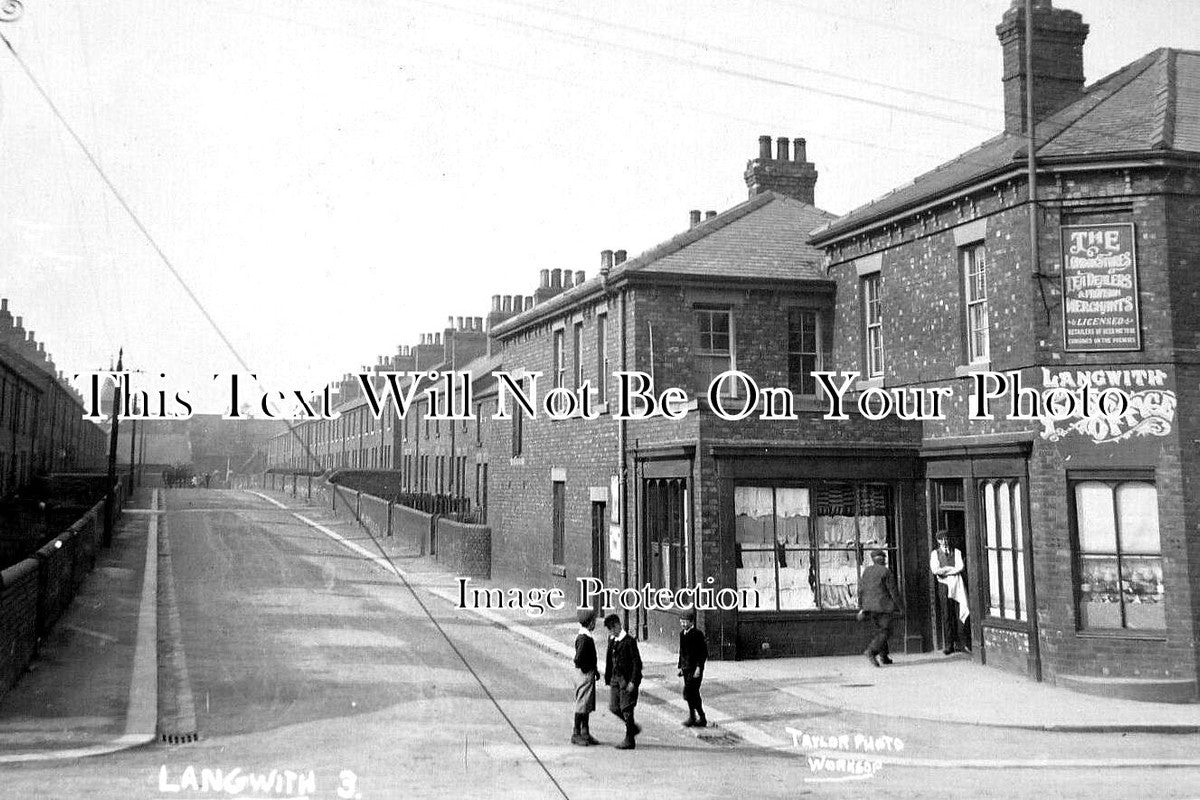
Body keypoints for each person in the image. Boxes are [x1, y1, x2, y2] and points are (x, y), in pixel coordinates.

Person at [857, 549, 903, 667]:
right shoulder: (886, 572)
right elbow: (893, 592)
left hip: (869, 607)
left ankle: (884, 656)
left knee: (880, 630)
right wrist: (901, 607)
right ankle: (871, 651)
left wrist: (861, 606)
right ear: (883, 559)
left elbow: (861, 590)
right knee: (886, 631)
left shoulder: (866, 571)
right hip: (883, 606)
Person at [603, 613, 643, 750]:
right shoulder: (612, 639)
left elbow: (637, 663)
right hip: (615, 678)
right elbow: (609, 659)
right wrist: (608, 676)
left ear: (618, 626)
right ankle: (632, 728)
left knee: (626, 708)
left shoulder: (629, 641)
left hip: (626, 680)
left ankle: (629, 739)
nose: (610, 632)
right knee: (614, 707)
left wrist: (633, 681)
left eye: (611, 628)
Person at [930, 530, 971, 654]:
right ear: (938, 541)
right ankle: (949, 645)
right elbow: (935, 570)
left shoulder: (957, 552)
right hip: (944, 586)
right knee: (947, 615)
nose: (945, 541)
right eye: (942, 539)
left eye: (946, 539)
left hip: (957, 585)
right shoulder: (935, 553)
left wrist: (945, 570)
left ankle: (963, 643)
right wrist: (951, 570)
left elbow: (960, 567)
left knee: (960, 612)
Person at [571, 608, 601, 746]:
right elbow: (578, 659)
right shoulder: (583, 638)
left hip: (589, 674)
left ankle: (585, 732)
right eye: (594, 621)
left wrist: (595, 671)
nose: (595, 624)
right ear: (589, 623)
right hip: (584, 675)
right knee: (582, 704)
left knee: (587, 704)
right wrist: (588, 668)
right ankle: (576, 733)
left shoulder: (586, 636)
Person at [677, 608, 708, 728]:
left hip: (695, 670)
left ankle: (699, 717)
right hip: (686, 668)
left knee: (689, 692)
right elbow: (682, 652)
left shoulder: (697, 634)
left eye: (685, 622)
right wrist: (680, 666)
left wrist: (699, 668)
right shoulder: (682, 634)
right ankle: (695, 717)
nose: (683, 624)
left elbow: (703, 653)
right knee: (694, 694)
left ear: (691, 622)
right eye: (681, 621)